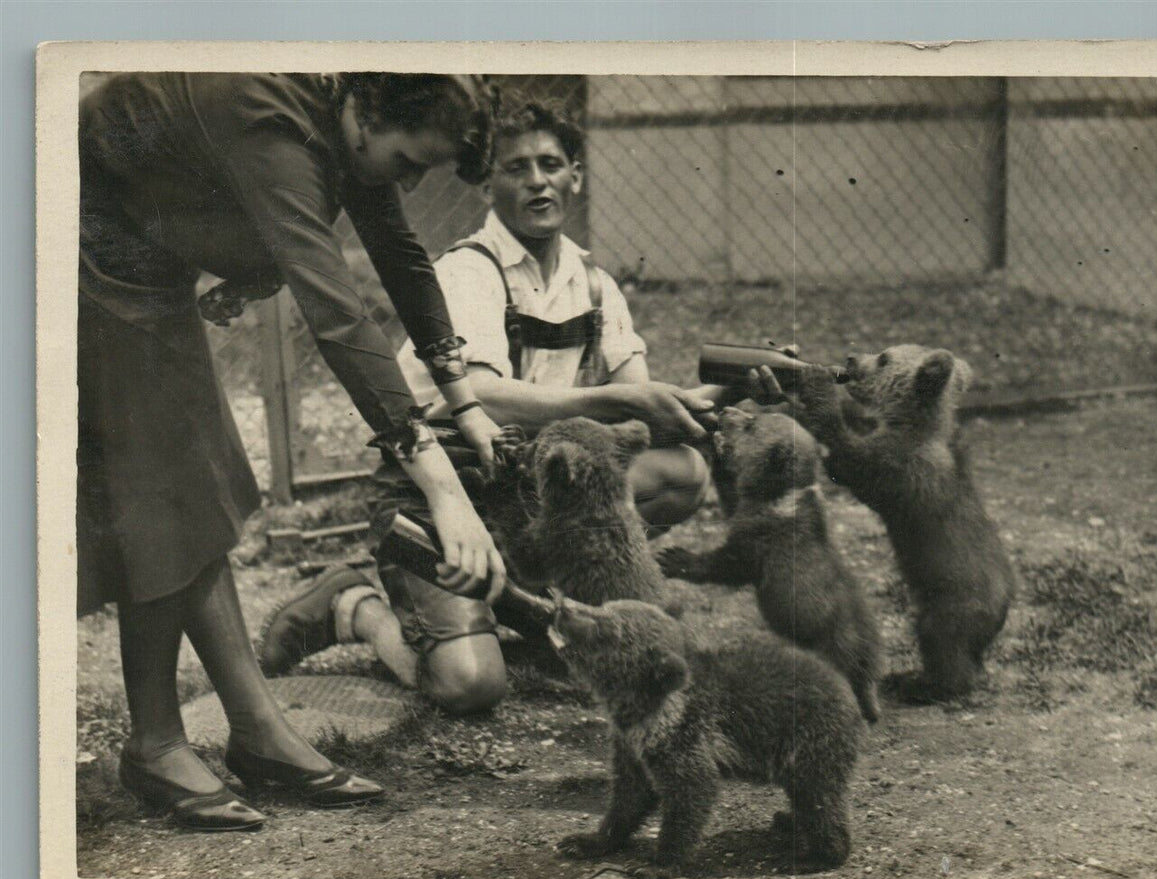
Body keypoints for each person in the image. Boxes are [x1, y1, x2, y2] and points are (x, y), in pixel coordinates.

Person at [78, 72, 511, 832]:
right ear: (367, 116)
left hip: (141, 249)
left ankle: (255, 730)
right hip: (77, 244)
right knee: (166, 490)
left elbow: (399, 253)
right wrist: (444, 490)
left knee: (196, 486)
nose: (407, 181)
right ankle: (155, 742)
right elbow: (339, 318)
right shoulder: (273, 121)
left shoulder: (343, 121)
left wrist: (463, 398)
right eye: (408, 163)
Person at [259, 102, 746, 716]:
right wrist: (619, 399)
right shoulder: (468, 272)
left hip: (523, 496)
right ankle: (354, 607)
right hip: (443, 495)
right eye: (517, 168)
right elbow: (482, 394)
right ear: (488, 184)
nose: (537, 180)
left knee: (681, 472)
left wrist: (731, 397)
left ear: (576, 176)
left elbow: (642, 419)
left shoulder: (594, 284)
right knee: (468, 685)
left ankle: (534, 608)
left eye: (551, 164)